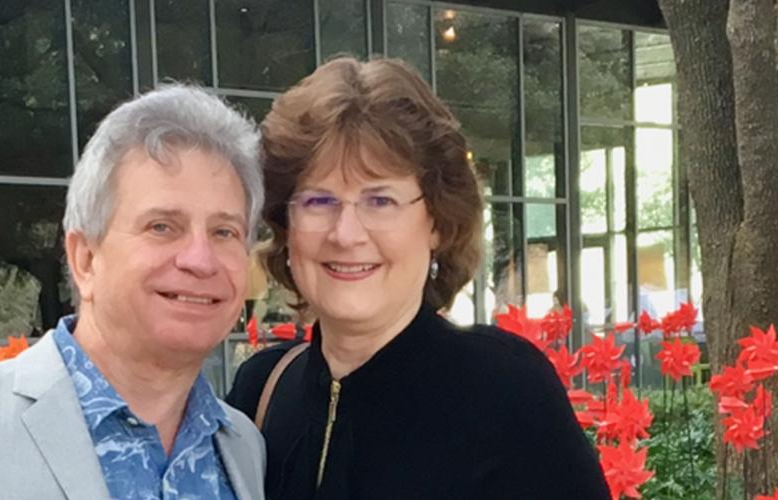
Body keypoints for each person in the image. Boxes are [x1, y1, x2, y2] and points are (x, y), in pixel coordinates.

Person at [0, 85, 267, 499]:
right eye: (162, 227)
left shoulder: (242, 448)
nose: (200, 259)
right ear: (85, 259)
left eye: (224, 232)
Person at [224, 57, 610, 499]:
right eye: (318, 201)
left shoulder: (502, 393)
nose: (346, 234)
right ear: (285, 224)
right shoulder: (261, 392)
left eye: (381, 200)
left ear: (437, 222)